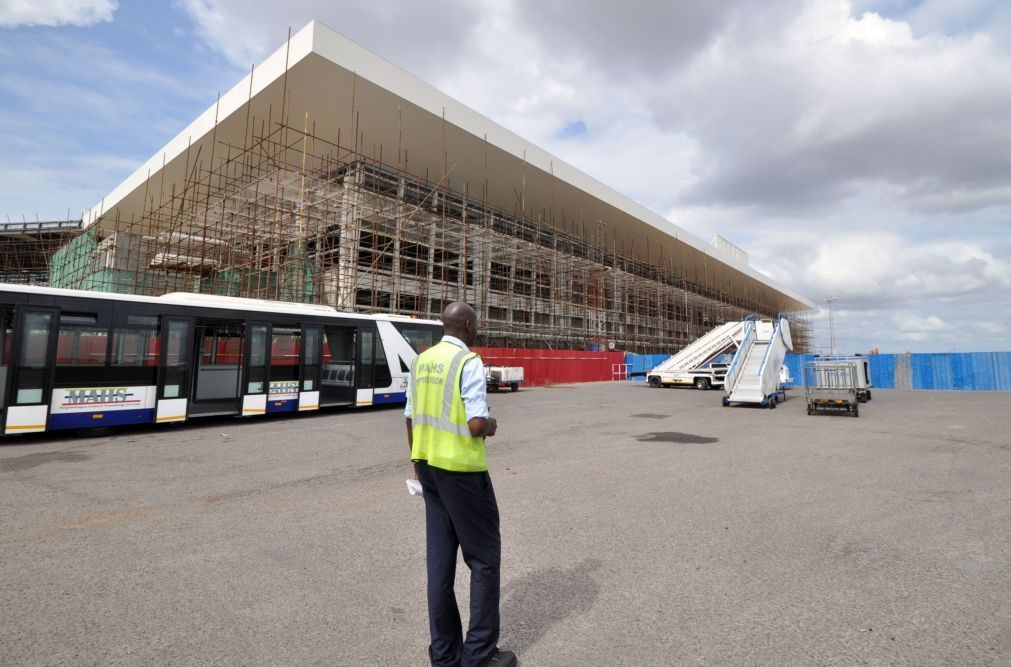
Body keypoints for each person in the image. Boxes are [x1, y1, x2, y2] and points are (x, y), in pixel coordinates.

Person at [404, 302, 517, 667]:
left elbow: (409, 416)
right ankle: (480, 656)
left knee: (439, 565)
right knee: (484, 561)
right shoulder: (468, 362)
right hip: (463, 474)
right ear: (467, 325)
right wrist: (493, 424)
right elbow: (475, 424)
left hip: (429, 469)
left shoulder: (422, 361)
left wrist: (416, 462)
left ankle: (445, 655)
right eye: (477, 323)